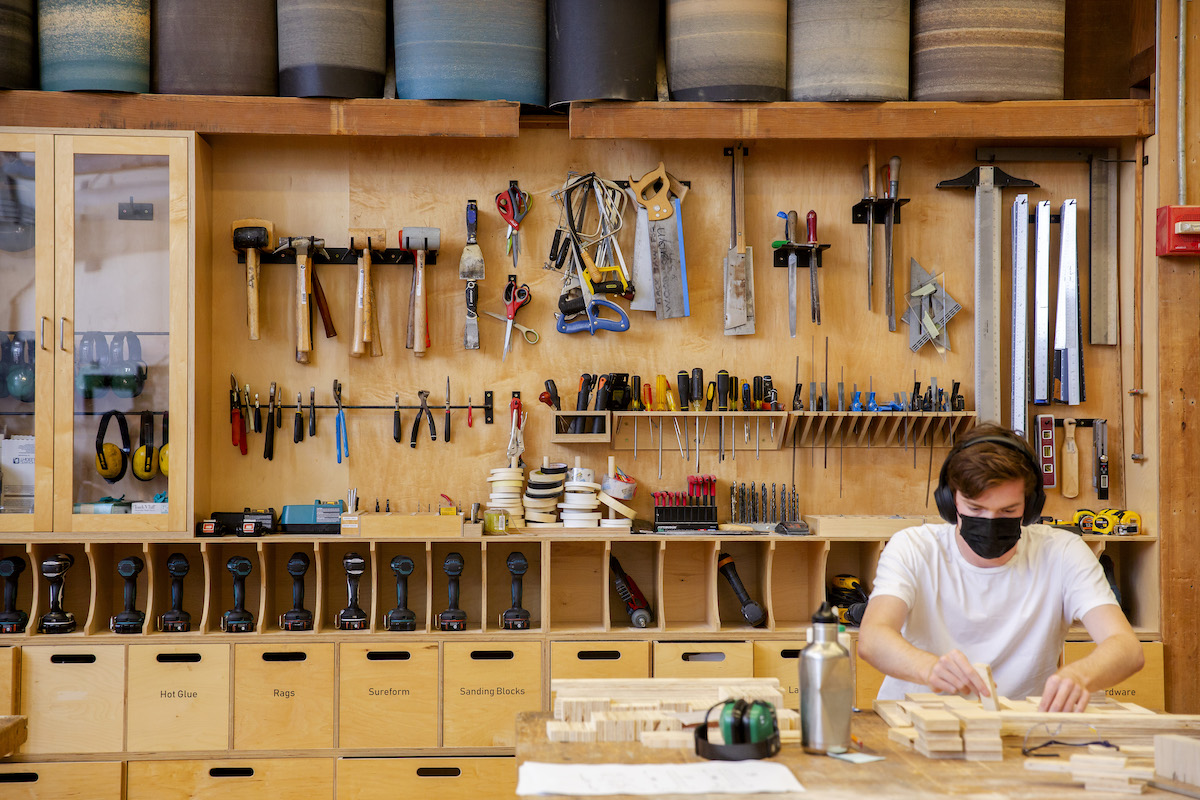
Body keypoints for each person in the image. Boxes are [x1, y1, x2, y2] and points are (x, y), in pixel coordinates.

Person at [857, 423, 1144, 712]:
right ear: (950, 501)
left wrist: (1080, 675)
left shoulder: (1062, 552)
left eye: (1008, 511)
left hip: (1016, 725)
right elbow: (873, 637)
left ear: (1030, 506)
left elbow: (1126, 647)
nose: (991, 521)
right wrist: (929, 668)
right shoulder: (913, 548)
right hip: (914, 722)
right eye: (976, 509)